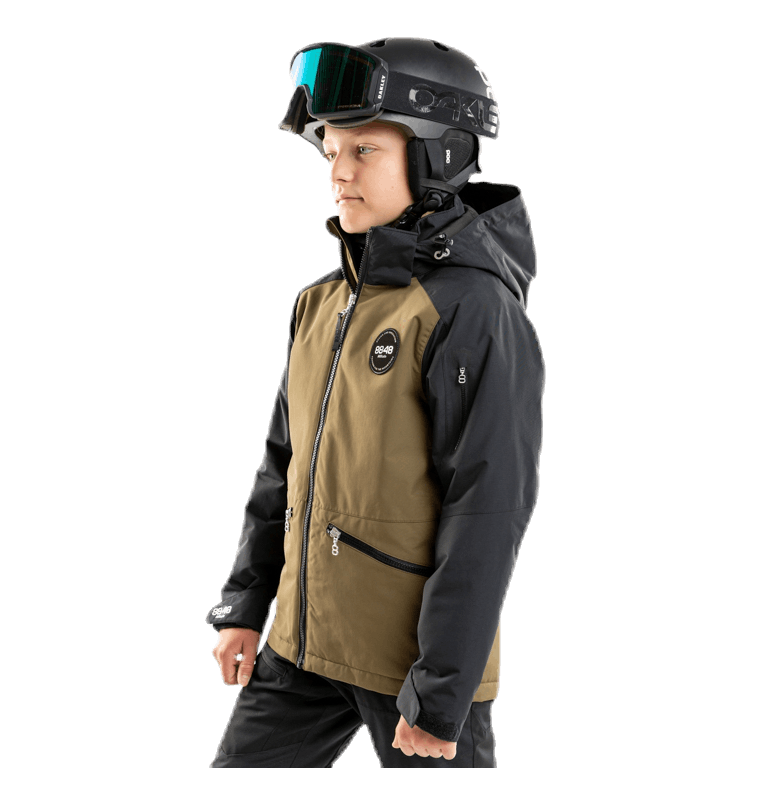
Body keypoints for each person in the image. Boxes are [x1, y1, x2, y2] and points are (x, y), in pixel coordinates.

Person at [206, 37, 544, 768]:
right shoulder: (321, 302)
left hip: (411, 668)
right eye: (331, 152)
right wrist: (244, 605)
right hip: (302, 646)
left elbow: (488, 510)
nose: (339, 171)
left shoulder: (474, 311)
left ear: (438, 157)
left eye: (364, 151)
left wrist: (442, 692)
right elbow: (280, 468)